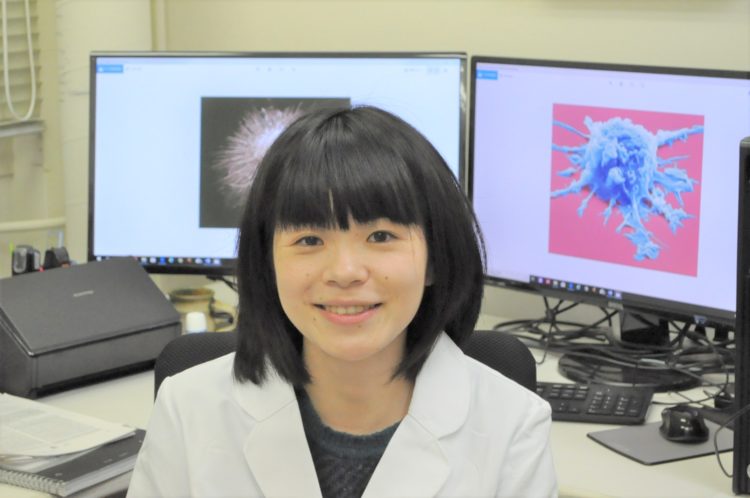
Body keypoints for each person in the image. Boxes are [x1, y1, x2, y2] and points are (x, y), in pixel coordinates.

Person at [127, 106, 557, 497]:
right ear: (267, 263)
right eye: (309, 239)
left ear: (435, 260)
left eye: (381, 236)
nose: (345, 271)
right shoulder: (188, 408)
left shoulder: (512, 426)